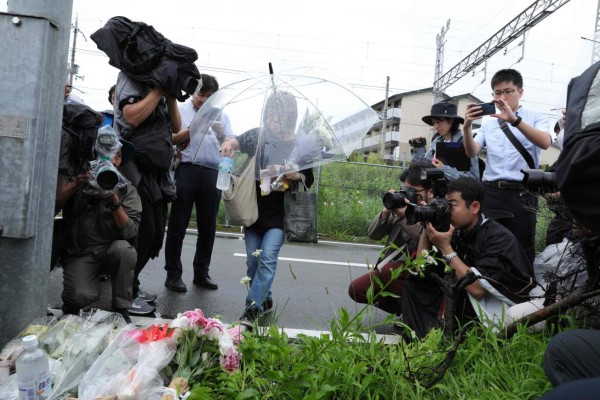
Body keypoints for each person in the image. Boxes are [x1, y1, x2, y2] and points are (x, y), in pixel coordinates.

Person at [220, 90, 314, 323]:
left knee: (268, 258)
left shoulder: (298, 144)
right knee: (253, 262)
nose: (273, 121)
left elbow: (308, 177)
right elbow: (236, 141)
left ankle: (251, 310)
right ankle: (266, 298)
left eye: (279, 117)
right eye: (271, 116)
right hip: (253, 210)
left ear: (290, 117)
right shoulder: (258, 136)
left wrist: (296, 175)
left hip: (280, 214)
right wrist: (228, 145)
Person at [402, 177, 535, 338]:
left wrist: (446, 248)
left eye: (452, 205)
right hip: (471, 303)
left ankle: (460, 341)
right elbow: (421, 268)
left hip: (500, 310)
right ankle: (421, 341)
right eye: (445, 204)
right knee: (416, 283)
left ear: (474, 207)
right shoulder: (456, 230)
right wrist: (427, 225)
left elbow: (477, 289)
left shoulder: (498, 238)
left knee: (463, 290)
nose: (446, 210)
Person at [462, 69, 551, 263]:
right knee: (486, 244)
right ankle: (486, 286)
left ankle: (522, 290)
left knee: (521, 246)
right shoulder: (488, 121)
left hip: (523, 192)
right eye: (497, 92)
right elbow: (471, 151)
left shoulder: (535, 116)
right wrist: (467, 127)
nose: (502, 97)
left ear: (521, 91)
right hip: (491, 191)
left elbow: (545, 142)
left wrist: (515, 120)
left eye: (508, 91)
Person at [114, 71, 181, 315]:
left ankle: (133, 285)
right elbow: (131, 117)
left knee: (153, 235)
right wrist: (158, 91)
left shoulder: (159, 88)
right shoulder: (131, 78)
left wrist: (171, 95)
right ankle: (125, 294)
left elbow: (175, 126)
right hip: (134, 169)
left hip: (155, 175)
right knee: (142, 232)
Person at [55, 138, 141, 323]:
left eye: (115, 154)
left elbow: (130, 231)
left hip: (109, 250)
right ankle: (71, 304)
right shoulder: (79, 177)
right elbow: (53, 208)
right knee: (80, 297)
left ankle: (121, 309)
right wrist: (76, 183)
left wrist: (113, 198)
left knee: (124, 250)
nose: (110, 158)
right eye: (105, 152)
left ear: (119, 160)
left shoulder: (126, 189)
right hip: (80, 252)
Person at [164, 74, 234, 292]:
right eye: (200, 94)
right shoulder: (181, 111)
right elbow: (172, 137)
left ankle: (201, 273)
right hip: (186, 169)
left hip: (213, 172)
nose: (203, 99)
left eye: (209, 96)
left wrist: (223, 136)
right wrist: (197, 125)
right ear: (193, 93)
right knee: (178, 225)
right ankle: (173, 274)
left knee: (208, 227)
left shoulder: (222, 116)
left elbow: (230, 145)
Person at [347, 162, 432, 316]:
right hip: (393, 269)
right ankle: (403, 308)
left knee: (391, 270)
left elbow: (424, 235)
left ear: (430, 191)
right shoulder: (403, 206)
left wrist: (405, 215)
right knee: (357, 289)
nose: (408, 194)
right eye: (405, 189)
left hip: (423, 270)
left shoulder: (435, 209)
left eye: (413, 190)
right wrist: (386, 211)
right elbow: (374, 235)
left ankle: (415, 318)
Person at [411, 102, 480, 180]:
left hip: (456, 191)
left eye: (439, 121)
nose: (436, 126)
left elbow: (474, 178)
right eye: (433, 123)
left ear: (451, 120)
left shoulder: (466, 143)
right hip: (434, 189)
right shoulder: (436, 142)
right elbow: (420, 171)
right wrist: (419, 147)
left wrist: (443, 169)